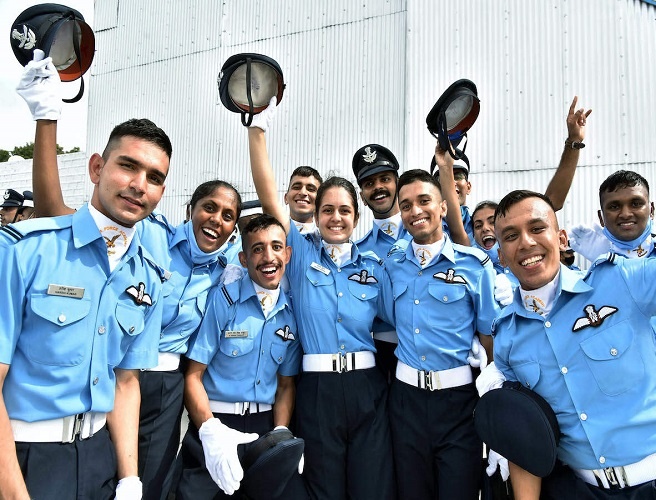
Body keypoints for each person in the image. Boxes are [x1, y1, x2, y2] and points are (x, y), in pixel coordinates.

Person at [18, 51, 243, 500]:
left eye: (227, 216)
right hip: (104, 379)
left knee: (148, 484)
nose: (216, 220)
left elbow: (279, 241)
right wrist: (47, 122)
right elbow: (55, 217)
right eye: (208, 208)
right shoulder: (146, 236)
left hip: (162, 385)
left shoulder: (230, 266)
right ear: (188, 209)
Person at [0, 112, 171, 498]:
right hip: (26, 459)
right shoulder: (24, 251)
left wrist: (129, 478)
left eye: (155, 177)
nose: (139, 185)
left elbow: (126, 382)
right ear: (97, 167)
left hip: (98, 459)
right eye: (128, 166)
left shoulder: (148, 277)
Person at [247, 97, 395, 500]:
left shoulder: (376, 263)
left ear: (356, 216)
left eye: (344, 210)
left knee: (373, 487)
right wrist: (257, 131)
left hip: (369, 387)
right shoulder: (298, 254)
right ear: (315, 214)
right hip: (318, 389)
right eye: (326, 209)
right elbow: (268, 197)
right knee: (324, 488)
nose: (335, 217)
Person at [487, 189, 656, 499]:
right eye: (511, 236)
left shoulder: (623, 280)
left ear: (562, 238)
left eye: (537, 228)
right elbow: (525, 438)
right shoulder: (507, 337)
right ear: (501, 256)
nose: (526, 242)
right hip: (576, 490)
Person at [383, 158, 500, 499]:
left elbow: (488, 338)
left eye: (423, 201)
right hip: (405, 401)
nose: (415, 211)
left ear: (443, 207)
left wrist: (492, 400)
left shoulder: (474, 265)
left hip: (459, 403)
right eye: (405, 205)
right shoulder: (393, 262)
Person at [176, 214, 307, 499]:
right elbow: (193, 375)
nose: (268, 257)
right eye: (257, 249)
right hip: (216, 425)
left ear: (288, 253)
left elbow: (285, 385)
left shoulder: (292, 314)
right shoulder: (224, 301)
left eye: (275, 247)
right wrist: (209, 430)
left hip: (264, 431)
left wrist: (282, 431)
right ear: (244, 259)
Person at [352, 143, 411, 383]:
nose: (378, 187)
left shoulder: (427, 235)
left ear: (397, 184)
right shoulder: (358, 251)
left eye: (385, 179)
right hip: (382, 355)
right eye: (369, 184)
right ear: (362, 197)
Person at [570, 170, 655, 261]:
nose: (625, 214)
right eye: (614, 207)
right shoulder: (599, 260)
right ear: (601, 218)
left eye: (636, 204)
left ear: (651, 210)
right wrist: (602, 267)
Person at [472, 200, 519, 287]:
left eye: (492, 222)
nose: (485, 228)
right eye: (478, 226)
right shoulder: (470, 268)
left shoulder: (523, 257)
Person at [285, 165, 323, 234]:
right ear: (286, 198)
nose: (303, 193)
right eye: (296, 187)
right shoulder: (272, 232)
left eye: (311, 189)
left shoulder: (326, 238)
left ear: (320, 201)